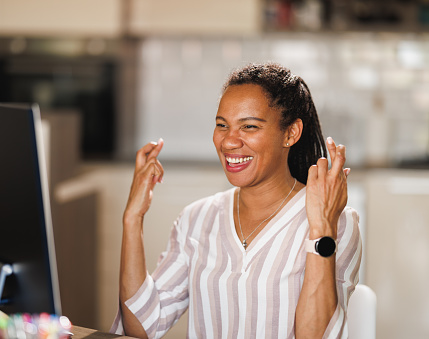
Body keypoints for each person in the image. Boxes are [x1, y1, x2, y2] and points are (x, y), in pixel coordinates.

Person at [111, 63, 362, 338]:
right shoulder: (196, 219)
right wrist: (132, 218)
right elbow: (141, 328)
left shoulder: (336, 222)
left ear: (290, 133)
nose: (229, 142)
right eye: (222, 125)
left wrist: (322, 229)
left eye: (249, 126)